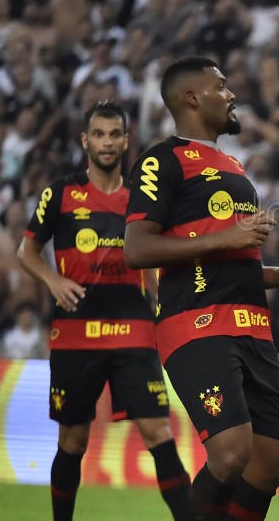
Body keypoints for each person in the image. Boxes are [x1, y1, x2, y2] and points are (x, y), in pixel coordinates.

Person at [123, 57, 279, 521]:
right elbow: (137, 248)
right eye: (221, 86)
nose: (231, 95)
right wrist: (227, 237)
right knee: (230, 452)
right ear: (192, 97)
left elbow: (225, 255)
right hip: (196, 324)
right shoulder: (162, 159)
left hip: (252, 325)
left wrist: (274, 274)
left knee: (268, 466)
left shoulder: (231, 163)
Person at [16, 101, 192, 521]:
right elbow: (27, 252)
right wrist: (53, 280)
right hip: (75, 335)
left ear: (126, 140)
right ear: (85, 141)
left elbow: (157, 257)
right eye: (99, 134)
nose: (107, 142)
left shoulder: (142, 199)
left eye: (115, 134)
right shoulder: (60, 193)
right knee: (72, 441)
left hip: (133, 332)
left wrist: (160, 301)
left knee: (158, 432)